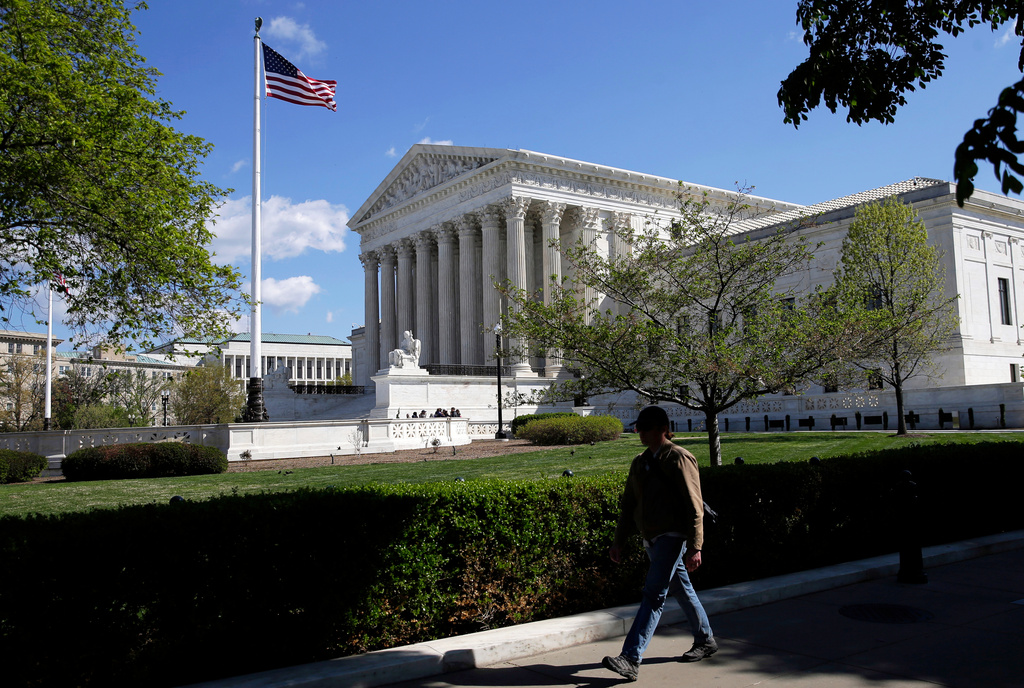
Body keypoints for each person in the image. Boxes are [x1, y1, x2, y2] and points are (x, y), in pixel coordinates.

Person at [602, 405, 716, 682]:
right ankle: (705, 639)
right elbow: (629, 504)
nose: (638, 431)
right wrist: (619, 541)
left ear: (661, 429)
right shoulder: (640, 461)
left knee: (654, 594)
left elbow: (694, 506)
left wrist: (695, 546)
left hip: (672, 536)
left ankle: (630, 657)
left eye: (644, 427)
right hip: (650, 537)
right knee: (681, 587)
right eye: (638, 427)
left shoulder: (679, 458)